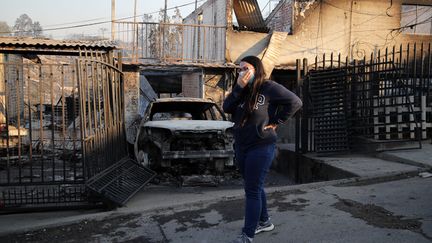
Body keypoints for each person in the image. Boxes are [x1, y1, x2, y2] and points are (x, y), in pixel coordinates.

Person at [223, 56, 303, 243]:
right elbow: (227, 107)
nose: (241, 72)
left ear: (256, 70)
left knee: (252, 190)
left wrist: (277, 121)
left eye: (246, 68)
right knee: (254, 186)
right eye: (240, 69)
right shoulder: (241, 90)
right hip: (242, 146)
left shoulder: (269, 87)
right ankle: (265, 221)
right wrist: (238, 88)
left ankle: (247, 235)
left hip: (261, 145)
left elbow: (295, 102)